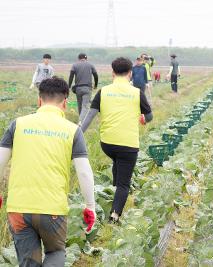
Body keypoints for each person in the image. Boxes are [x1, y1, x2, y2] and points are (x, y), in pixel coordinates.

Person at [0, 77, 96, 267]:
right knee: (56, 252)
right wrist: (90, 205)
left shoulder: (17, 124)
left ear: (39, 100)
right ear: (65, 103)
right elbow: (84, 172)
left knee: (29, 262)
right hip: (52, 209)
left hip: (19, 208)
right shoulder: (72, 130)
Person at [80, 57, 153, 224]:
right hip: (128, 144)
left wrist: (78, 134)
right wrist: (143, 119)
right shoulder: (136, 92)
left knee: (117, 162)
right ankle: (114, 215)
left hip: (107, 144)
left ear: (112, 73)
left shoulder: (103, 91)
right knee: (124, 184)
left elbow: (89, 117)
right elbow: (149, 117)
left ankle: (114, 189)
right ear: (130, 73)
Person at [68, 53, 98, 123]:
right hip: (87, 88)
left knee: (80, 105)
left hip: (78, 89)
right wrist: (95, 85)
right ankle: (81, 121)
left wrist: (69, 87)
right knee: (85, 106)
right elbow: (96, 75)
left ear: (78, 58)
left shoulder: (75, 65)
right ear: (86, 58)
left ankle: (80, 120)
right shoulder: (90, 65)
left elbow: (71, 76)